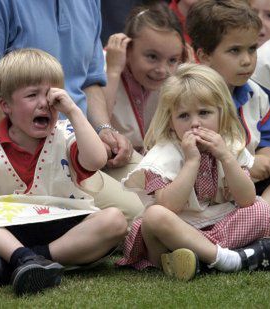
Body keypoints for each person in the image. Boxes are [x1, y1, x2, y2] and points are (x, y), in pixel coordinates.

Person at [0, 0, 144, 224]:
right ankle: (37, 255)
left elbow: (90, 82)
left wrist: (102, 129)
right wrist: (55, 144)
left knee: (163, 193)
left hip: (77, 143)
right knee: (139, 212)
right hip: (8, 157)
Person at [0, 48, 127, 295]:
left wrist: (74, 111)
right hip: (9, 227)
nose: (44, 103)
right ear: (5, 105)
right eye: (32, 95)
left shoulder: (66, 135)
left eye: (52, 96)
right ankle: (21, 256)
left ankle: (25, 261)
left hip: (63, 222)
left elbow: (97, 160)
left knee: (115, 220)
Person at [117, 63, 270, 281]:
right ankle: (227, 259)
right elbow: (168, 206)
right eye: (184, 116)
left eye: (204, 113)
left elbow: (245, 199)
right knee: (154, 216)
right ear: (170, 121)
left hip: (220, 223)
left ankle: (200, 261)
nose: (195, 123)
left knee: (261, 208)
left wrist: (226, 157)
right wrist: (191, 162)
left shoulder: (230, 145)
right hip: (177, 230)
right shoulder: (162, 155)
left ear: (222, 114)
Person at [187, 0, 270, 202]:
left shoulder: (256, 93)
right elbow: (198, 151)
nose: (247, 60)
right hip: (208, 194)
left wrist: (265, 159)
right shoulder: (190, 98)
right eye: (235, 50)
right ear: (204, 55)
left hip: (249, 184)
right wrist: (249, 163)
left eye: (252, 49)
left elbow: (266, 139)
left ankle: (262, 221)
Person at [103, 3, 186, 180]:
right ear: (128, 48)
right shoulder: (106, 64)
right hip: (110, 166)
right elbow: (97, 119)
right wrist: (113, 72)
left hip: (156, 165)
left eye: (172, 60)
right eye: (152, 57)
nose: (162, 70)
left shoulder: (176, 76)